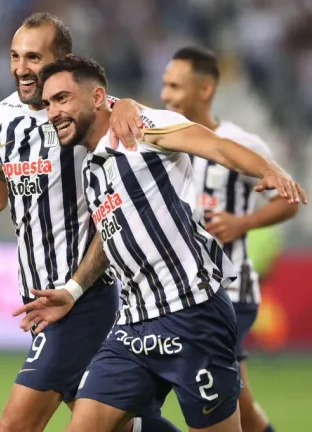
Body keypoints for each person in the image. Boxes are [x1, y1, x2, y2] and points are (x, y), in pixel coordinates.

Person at [0, 12, 179, 432]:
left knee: (14, 426)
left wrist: (129, 103)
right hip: (41, 301)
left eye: (35, 57)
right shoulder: (5, 116)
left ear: (64, 60)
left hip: (83, 297)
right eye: (15, 56)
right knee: (117, 426)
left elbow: (130, 131)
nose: (21, 68)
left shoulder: (87, 113)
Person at [14, 55, 306, 432]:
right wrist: (72, 290)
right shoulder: (92, 169)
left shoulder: (144, 128)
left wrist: (268, 168)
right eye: (49, 102)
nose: (53, 111)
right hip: (132, 325)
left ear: (98, 97)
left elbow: (214, 146)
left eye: (63, 98)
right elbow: (111, 237)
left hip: (192, 315)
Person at [161, 46, 299, 432]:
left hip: (231, 291)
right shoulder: (164, 143)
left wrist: (243, 222)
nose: (165, 95)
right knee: (238, 402)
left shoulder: (242, 144)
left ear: (205, 91)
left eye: (174, 86)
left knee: (217, 400)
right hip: (185, 294)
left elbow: (290, 199)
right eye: (164, 85)